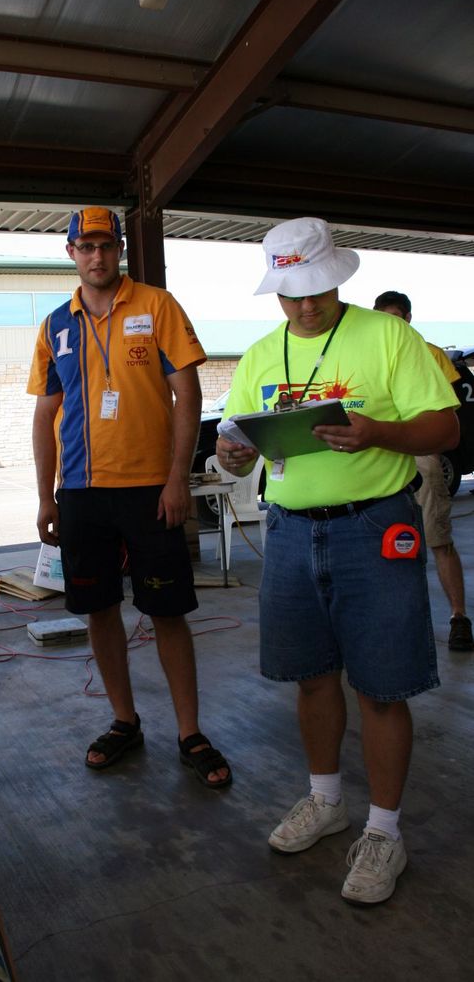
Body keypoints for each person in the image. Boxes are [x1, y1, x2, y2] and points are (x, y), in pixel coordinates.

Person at [217, 217, 459, 903]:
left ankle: (384, 831)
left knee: (382, 685)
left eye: (315, 290)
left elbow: (445, 426)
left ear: (338, 276)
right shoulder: (261, 356)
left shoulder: (387, 337)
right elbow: (239, 440)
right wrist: (232, 455)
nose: (304, 306)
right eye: (290, 294)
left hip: (375, 527)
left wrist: (377, 432)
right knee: (312, 677)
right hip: (291, 530)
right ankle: (327, 800)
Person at [27, 206, 231, 788]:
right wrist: (47, 498)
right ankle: (124, 720)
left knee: (168, 611)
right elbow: (45, 416)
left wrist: (177, 479)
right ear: (71, 253)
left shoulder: (157, 306)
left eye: (106, 245)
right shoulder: (54, 326)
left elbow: (187, 396)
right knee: (98, 610)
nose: (97, 256)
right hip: (83, 492)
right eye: (85, 246)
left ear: (120, 249)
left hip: (149, 490)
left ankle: (190, 730)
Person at [373, 291, 473, 652]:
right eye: (385, 318)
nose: (392, 325)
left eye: (398, 318)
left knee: (438, 536)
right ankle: (387, 628)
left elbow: (445, 413)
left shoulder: (428, 353)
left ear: (409, 318)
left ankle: (459, 617)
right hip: (378, 453)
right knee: (382, 547)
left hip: (421, 454)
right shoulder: (368, 353)